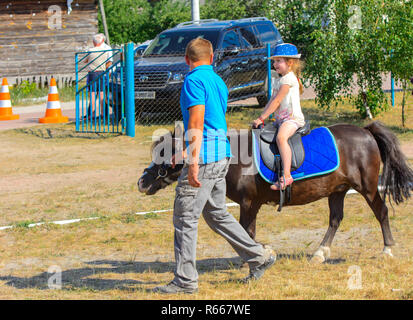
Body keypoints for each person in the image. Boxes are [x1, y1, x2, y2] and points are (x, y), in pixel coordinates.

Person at [152, 38, 275, 294]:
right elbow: (212, 120)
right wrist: (184, 151)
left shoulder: (193, 81)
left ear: (187, 60)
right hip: (222, 154)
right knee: (216, 214)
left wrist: (193, 162)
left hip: (205, 158)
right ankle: (258, 256)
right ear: (211, 58)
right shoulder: (218, 81)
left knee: (186, 218)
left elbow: (196, 123)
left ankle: (185, 281)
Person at [252, 43, 305, 191]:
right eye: (274, 61)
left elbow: (276, 101)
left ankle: (287, 176)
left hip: (292, 119)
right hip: (282, 119)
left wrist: (261, 118)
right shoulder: (280, 79)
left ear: (290, 62)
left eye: (278, 61)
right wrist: (261, 115)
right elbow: (271, 100)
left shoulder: (288, 79)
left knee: (281, 138)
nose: (275, 64)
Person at [84, 34, 112, 120]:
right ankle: (103, 113)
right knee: (102, 94)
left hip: (92, 73)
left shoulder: (91, 50)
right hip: (102, 72)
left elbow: (85, 61)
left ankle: (92, 114)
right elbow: (109, 61)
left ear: (93, 42)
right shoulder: (105, 50)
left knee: (92, 94)